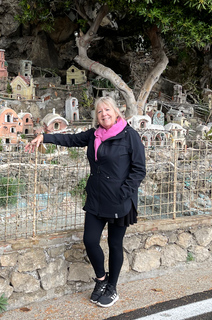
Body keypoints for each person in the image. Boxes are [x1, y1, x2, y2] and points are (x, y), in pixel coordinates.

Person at [25, 96, 146, 308]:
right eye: (100, 112)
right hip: (96, 197)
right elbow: (70, 140)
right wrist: (44, 137)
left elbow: (139, 169)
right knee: (90, 240)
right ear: (96, 117)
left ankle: (112, 288)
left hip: (119, 200)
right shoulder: (93, 135)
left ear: (116, 112)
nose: (104, 114)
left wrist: (124, 192)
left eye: (107, 110)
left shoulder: (130, 136)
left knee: (114, 244)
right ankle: (101, 280)